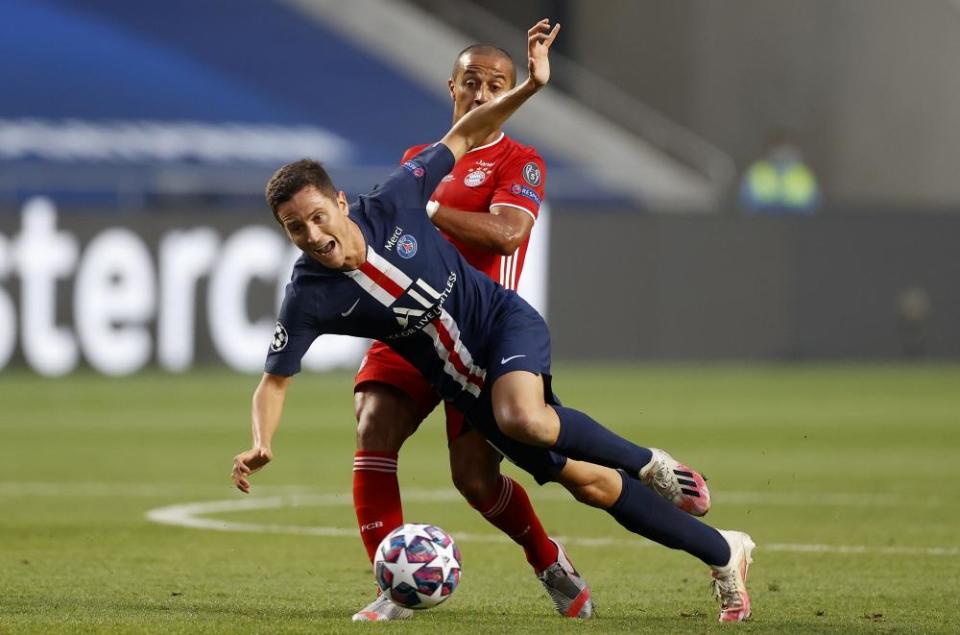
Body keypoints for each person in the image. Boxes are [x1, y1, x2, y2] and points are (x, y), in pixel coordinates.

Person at [232, 20, 755, 623]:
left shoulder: (414, 190)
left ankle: (648, 464)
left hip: (496, 325)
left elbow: (500, 214)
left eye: (319, 217)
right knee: (565, 477)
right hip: (437, 356)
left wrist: (534, 87)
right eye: (297, 229)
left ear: (342, 203)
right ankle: (723, 551)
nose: (314, 235)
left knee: (518, 430)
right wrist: (261, 442)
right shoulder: (310, 291)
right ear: (450, 84)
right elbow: (275, 378)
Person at [351, 42, 586, 622]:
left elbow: (505, 235)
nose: (481, 93)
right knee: (373, 426)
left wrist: (426, 211)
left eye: (495, 84)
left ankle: (546, 557)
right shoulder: (419, 158)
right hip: (411, 324)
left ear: (508, 94)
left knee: (475, 480)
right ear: (449, 86)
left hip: (480, 335)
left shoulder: (520, 162)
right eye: (470, 81)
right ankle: (392, 587)